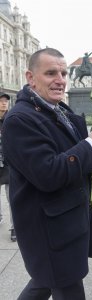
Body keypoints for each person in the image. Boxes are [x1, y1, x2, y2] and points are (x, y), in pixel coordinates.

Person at [2, 48, 92, 300]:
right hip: (49, 230)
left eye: (64, 73)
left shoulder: (57, 110)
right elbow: (48, 173)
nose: (61, 79)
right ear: (30, 77)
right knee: (65, 284)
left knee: (44, 282)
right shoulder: (19, 119)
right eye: (51, 73)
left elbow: (70, 155)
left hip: (65, 223)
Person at [0, 93, 16, 242]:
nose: (4, 103)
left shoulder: (12, 119)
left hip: (8, 164)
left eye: (5, 101)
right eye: (1, 101)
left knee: (12, 197)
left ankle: (14, 228)